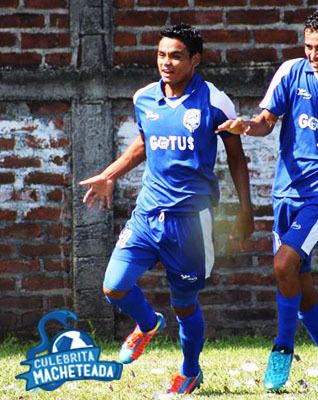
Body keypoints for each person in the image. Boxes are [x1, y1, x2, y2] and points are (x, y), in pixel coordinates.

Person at [79, 23, 254, 395]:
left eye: (175, 56)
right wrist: (110, 174)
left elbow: (237, 159)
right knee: (114, 287)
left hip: (191, 222)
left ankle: (190, 371)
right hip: (147, 215)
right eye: (161, 54)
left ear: (195, 59)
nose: (166, 62)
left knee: (185, 306)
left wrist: (245, 210)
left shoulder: (214, 101)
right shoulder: (144, 97)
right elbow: (145, 143)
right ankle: (146, 324)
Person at [217, 9, 318, 392]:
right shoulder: (291, 72)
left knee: (283, 262)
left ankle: (282, 348)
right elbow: (267, 121)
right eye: (308, 47)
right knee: (296, 279)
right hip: (287, 191)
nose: (314, 55)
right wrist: (246, 127)